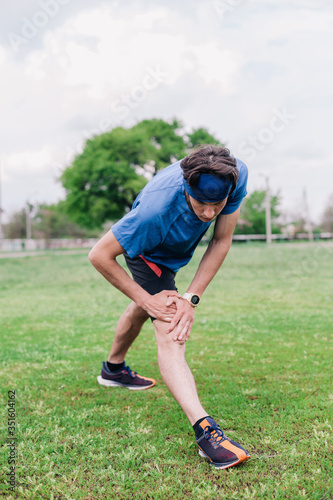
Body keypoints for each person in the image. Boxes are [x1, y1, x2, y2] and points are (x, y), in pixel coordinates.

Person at [88, 145, 250, 469]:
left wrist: (192, 297)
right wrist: (148, 299)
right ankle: (206, 432)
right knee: (171, 326)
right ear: (186, 188)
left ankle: (113, 370)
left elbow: (220, 240)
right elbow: (99, 255)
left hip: (174, 254)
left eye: (216, 204)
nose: (208, 213)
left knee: (149, 309)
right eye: (200, 204)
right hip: (148, 255)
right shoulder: (155, 210)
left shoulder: (235, 175)